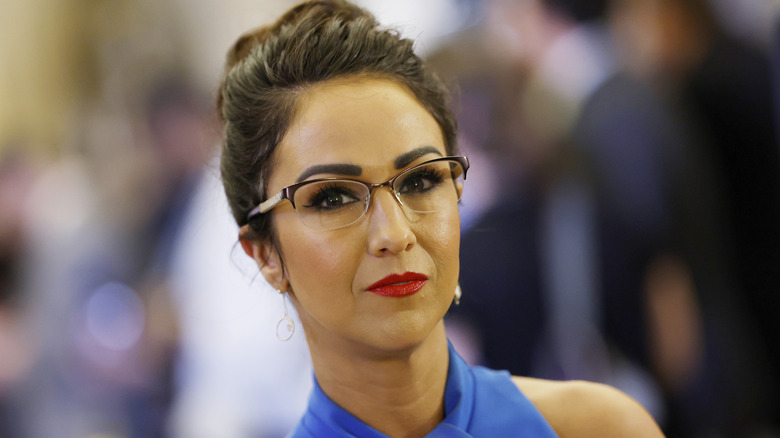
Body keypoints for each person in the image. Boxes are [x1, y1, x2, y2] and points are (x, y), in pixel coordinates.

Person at [216, 1, 665, 436]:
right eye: (333, 198)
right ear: (266, 254)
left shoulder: (595, 428)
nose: (394, 233)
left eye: (420, 180)